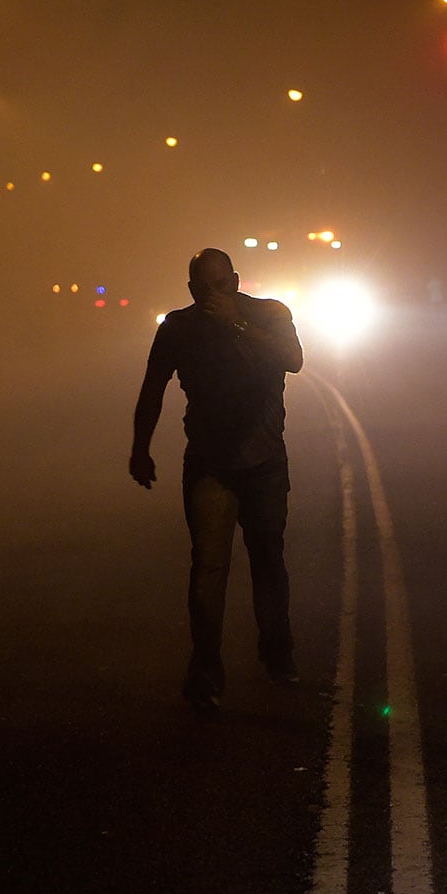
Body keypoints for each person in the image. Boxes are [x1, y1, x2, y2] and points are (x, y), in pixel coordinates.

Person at [130, 248, 305, 714]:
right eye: (203, 287)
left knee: (267, 559)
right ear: (191, 290)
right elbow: (152, 388)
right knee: (209, 567)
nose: (213, 295)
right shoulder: (178, 329)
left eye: (222, 284)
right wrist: (140, 448)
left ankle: (277, 655)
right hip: (210, 463)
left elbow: (293, 359)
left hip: (264, 461)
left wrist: (237, 324)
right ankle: (206, 671)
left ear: (236, 280)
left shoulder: (268, 314)